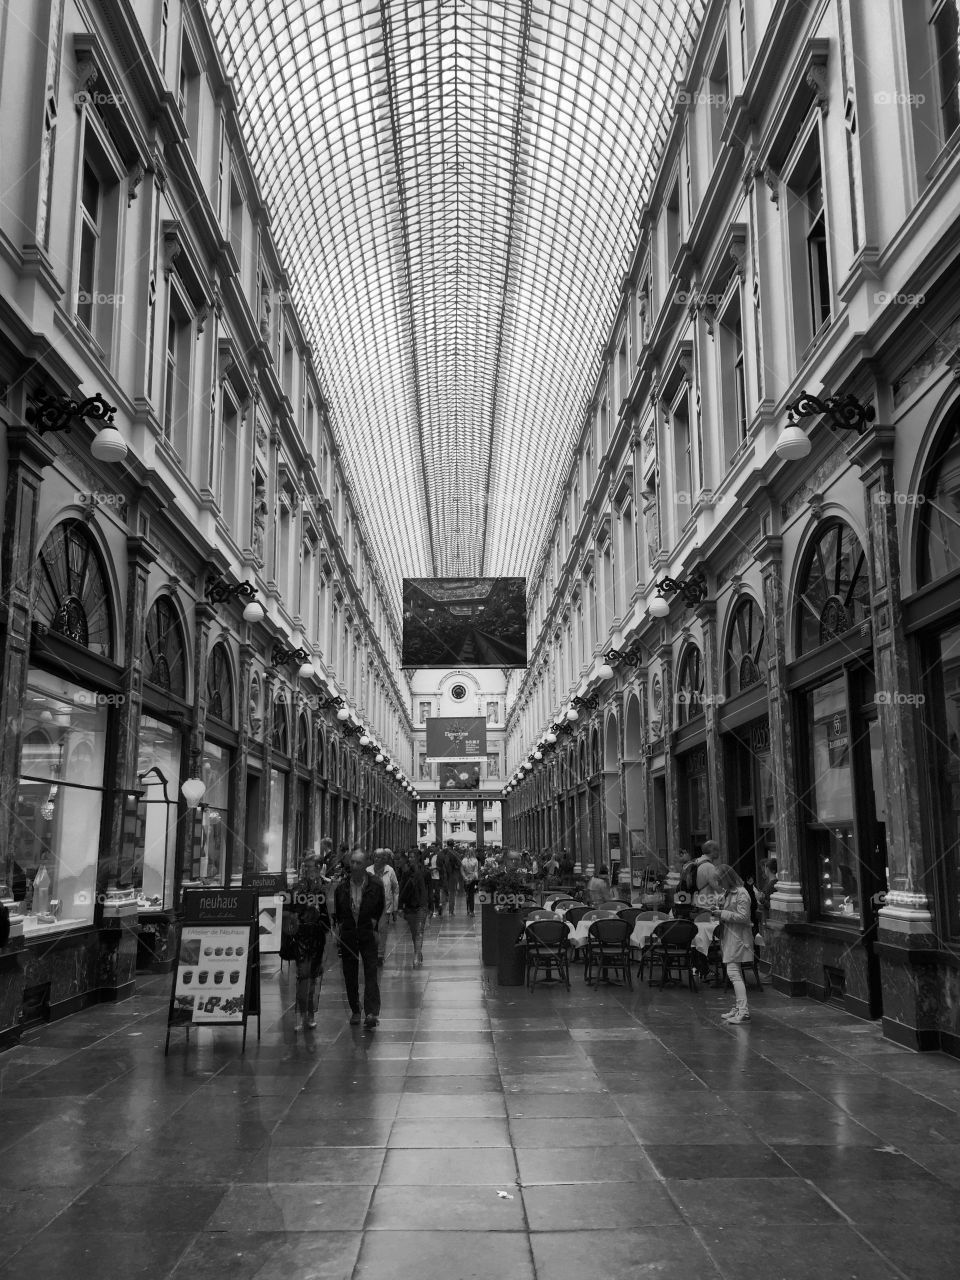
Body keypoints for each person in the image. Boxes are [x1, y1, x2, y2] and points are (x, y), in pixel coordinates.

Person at [333, 848, 386, 1028]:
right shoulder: (342, 887)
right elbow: (338, 913)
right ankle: (356, 1009)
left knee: (371, 971)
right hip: (348, 934)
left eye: (358, 863)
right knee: (350, 973)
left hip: (367, 933)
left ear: (365, 865)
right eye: (352, 862)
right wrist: (340, 931)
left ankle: (371, 1012)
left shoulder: (376, 885)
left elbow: (380, 907)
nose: (354, 866)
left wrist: (375, 927)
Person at [284, 856, 330, 1031]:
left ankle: (309, 1012)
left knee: (313, 977)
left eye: (311, 868)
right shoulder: (295, 889)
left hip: (317, 937)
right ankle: (300, 1014)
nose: (308, 871)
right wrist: (295, 917)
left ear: (318, 869)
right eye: (305, 868)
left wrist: (320, 916)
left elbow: (327, 918)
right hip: (301, 937)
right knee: (303, 975)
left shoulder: (321, 891)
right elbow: (286, 911)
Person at [711, 862, 755, 1024]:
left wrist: (722, 913)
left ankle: (743, 1011)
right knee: (733, 972)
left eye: (720, 880)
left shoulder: (742, 893)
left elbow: (744, 917)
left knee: (733, 973)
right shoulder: (729, 893)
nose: (718, 884)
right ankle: (739, 1007)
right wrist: (718, 908)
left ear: (726, 879)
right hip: (730, 937)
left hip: (738, 938)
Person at [367, 848, 399, 967]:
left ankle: (380, 955)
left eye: (380, 857)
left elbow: (396, 889)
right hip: (370, 907)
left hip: (385, 907)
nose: (377, 859)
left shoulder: (390, 871)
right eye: (376, 857)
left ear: (385, 859)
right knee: (370, 931)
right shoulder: (368, 871)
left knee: (382, 931)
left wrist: (395, 907)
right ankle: (371, 952)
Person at [398, 854, 429, 966]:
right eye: (409, 857)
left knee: (419, 931)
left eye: (413, 856)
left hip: (422, 906)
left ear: (418, 858)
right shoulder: (406, 874)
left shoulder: (425, 872)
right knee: (414, 932)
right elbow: (401, 890)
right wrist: (400, 907)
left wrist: (429, 906)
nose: (411, 859)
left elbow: (429, 889)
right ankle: (418, 951)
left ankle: (416, 954)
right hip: (410, 906)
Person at [440, 840, 461, 916]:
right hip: (453, 875)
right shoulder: (455, 853)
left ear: (447, 844)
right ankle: (451, 912)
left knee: (443, 892)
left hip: (443, 875)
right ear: (453, 845)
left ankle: (441, 910)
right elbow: (459, 864)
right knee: (452, 894)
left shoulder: (441, 853)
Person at [459, 846, 479, 915]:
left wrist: (465, 878)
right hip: (472, 879)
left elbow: (462, 870)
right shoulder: (475, 860)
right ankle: (471, 911)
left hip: (466, 879)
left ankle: (468, 910)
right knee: (471, 894)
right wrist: (472, 878)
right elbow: (476, 871)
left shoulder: (463, 860)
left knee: (468, 894)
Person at [424, 845, 442, 917]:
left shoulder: (440, 856)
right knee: (430, 894)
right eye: (431, 847)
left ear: (437, 848)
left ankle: (437, 907)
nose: (432, 848)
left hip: (437, 877)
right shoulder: (430, 856)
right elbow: (427, 865)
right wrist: (429, 868)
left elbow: (442, 866)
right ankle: (431, 908)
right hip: (431, 876)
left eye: (434, 847)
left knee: (437, 894)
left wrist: (438, 868)